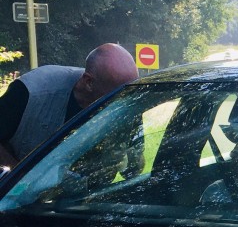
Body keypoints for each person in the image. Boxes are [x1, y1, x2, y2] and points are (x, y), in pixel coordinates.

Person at [0, 43, 139, 166]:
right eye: (118, 94)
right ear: (89, 82)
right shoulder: (31, 91)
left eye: (130, 92)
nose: (125, 100)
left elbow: (135, 166)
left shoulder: (126, 105)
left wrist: (124, 158)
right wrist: (21, 179)